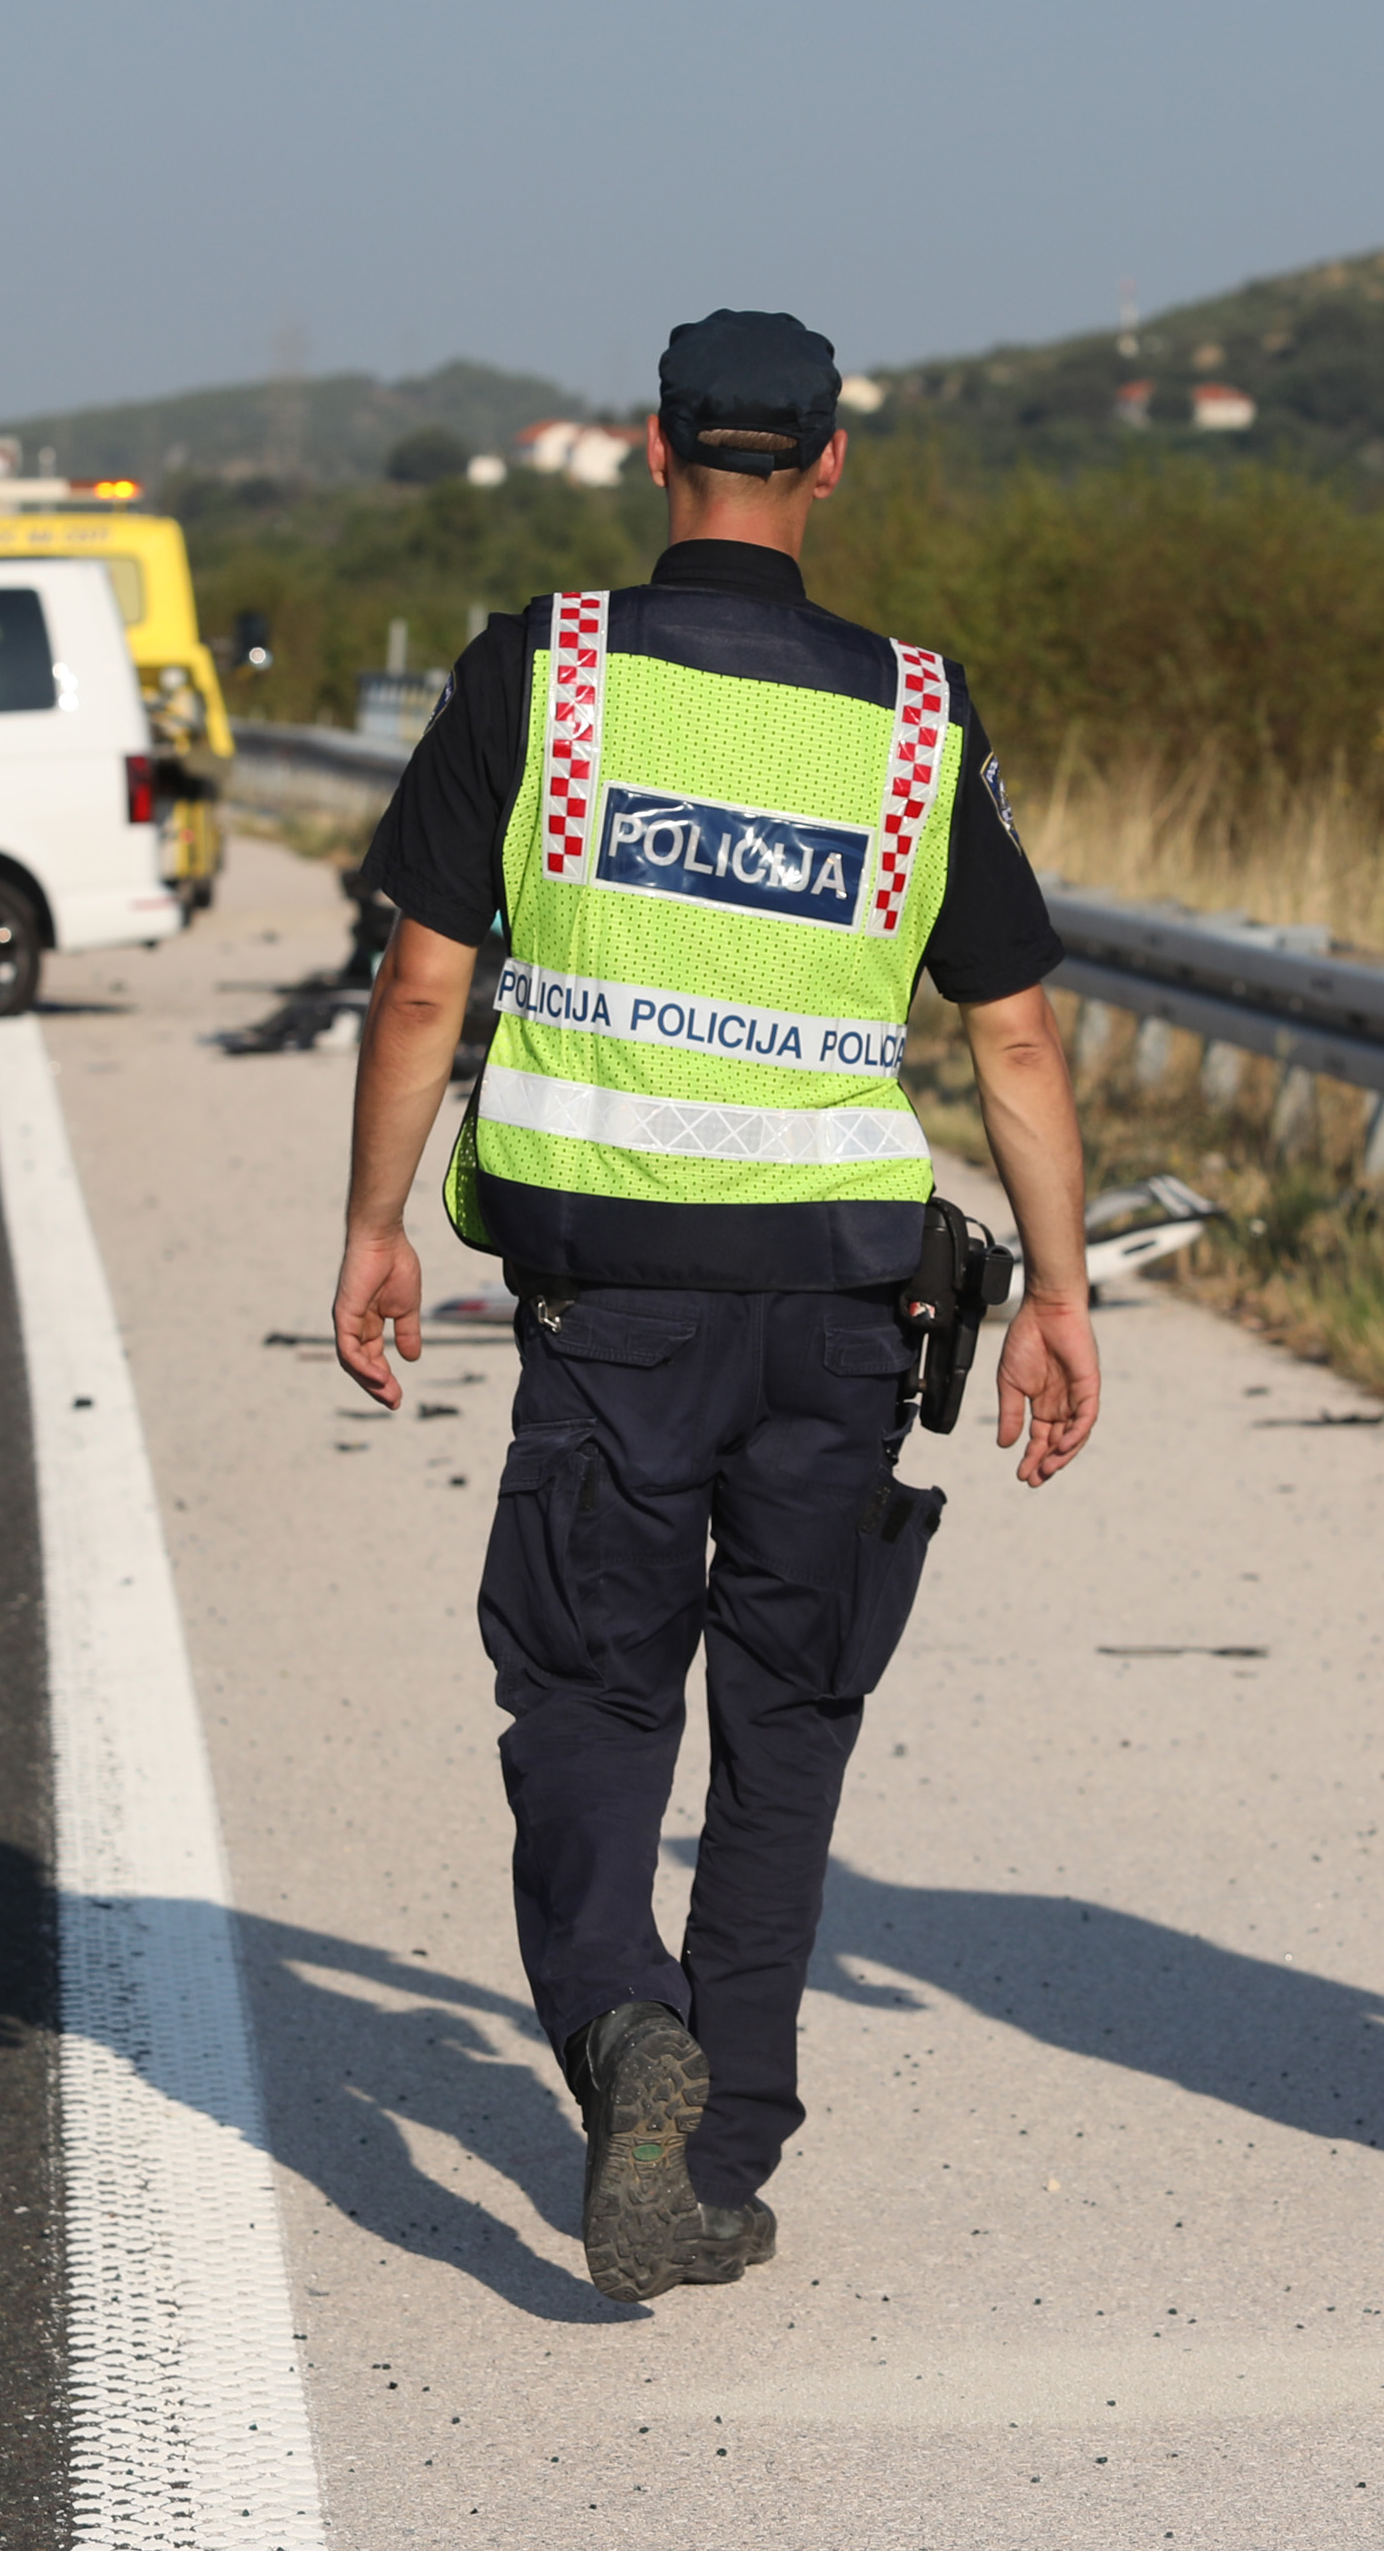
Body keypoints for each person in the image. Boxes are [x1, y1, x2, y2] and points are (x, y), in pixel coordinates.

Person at [333, 310, 1103, 2305]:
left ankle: (618, 2038)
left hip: (615, 1301)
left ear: (651, 450)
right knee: (788, 1711)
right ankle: (726, 2137)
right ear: (827, 466)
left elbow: (422, 984)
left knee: (590, 1690)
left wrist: (376, 1220)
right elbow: (1010, 1038)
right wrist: (1058, 1294)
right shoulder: (917, 717)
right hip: (845, 1301)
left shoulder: (545, 671)